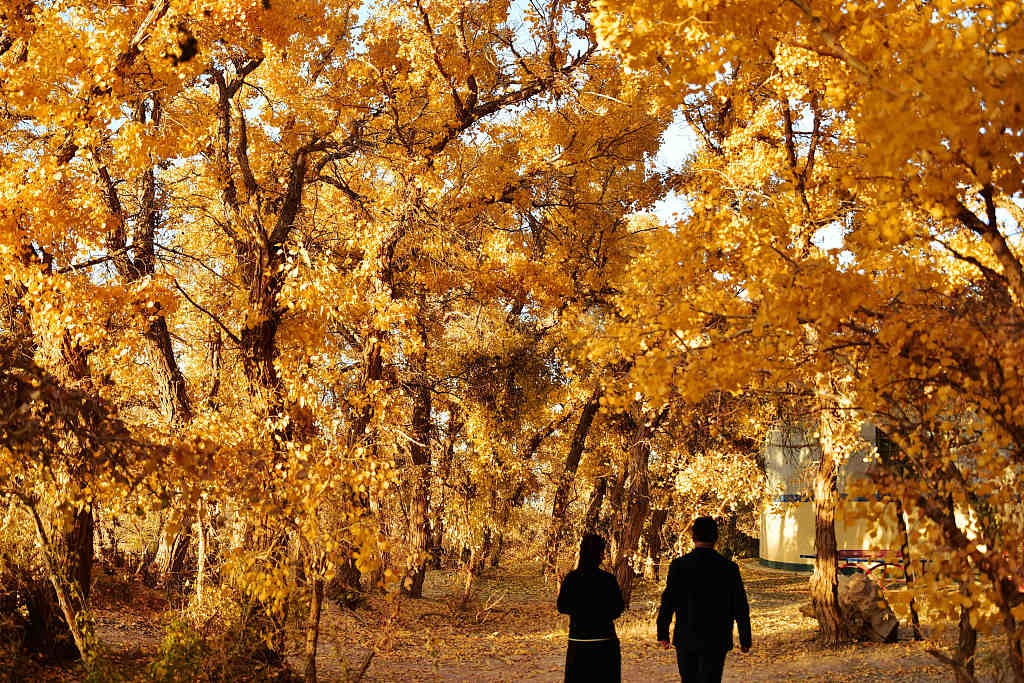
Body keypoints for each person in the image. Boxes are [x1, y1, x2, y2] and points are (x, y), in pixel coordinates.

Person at [656, 516, 752, 683]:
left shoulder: (679, 566)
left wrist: (662, 632)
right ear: (716, 538)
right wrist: (745, 638)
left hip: (686, 636)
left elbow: (668, 600)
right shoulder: (729, 568)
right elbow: (740, 606)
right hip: (717, 638)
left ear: (693, 537)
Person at [557, 534, 625, 683]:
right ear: (600, 554)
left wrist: (580, 611)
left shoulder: (571, 579)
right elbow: (618, 608)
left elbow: (561, 606)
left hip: (578, 643)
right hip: (605, 643)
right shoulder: (608, 579)